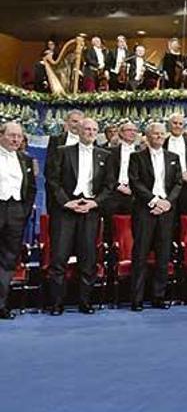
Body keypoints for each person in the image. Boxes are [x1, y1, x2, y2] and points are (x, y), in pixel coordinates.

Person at [45, 118, 111, 315]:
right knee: (59, 258)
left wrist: (95, 202)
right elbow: (53, 180)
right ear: (78, 130)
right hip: (66, 210)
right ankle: (56, 304)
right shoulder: (63, 152)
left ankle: (85, 302)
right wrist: (66, 202)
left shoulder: (105, 155)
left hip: (90, 210)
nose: (90, 132)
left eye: (94, 129)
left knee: (88, 259)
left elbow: (109, 185)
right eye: (87, 129)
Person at [128, 122, 182, 311]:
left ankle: (159, 296)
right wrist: (153, 200)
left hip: (167, 212)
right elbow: (134, 182)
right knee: (140, 255)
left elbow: (178, 183)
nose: (159, 136)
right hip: (145, 211)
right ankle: (137, 299)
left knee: (163, 256)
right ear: (148, 136)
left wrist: (167, 202)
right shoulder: (137, 157)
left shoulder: (173, 157)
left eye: (161, 134)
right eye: (155, 134)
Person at [0, 123, 37, 320]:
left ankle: (1, 305)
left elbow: (31, 189)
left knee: (8, 259)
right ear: (1, 136)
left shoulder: (26, 159)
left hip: (16, 212)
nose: (16, 140)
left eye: (19, 136)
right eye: (12, 135)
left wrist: (23, 211)